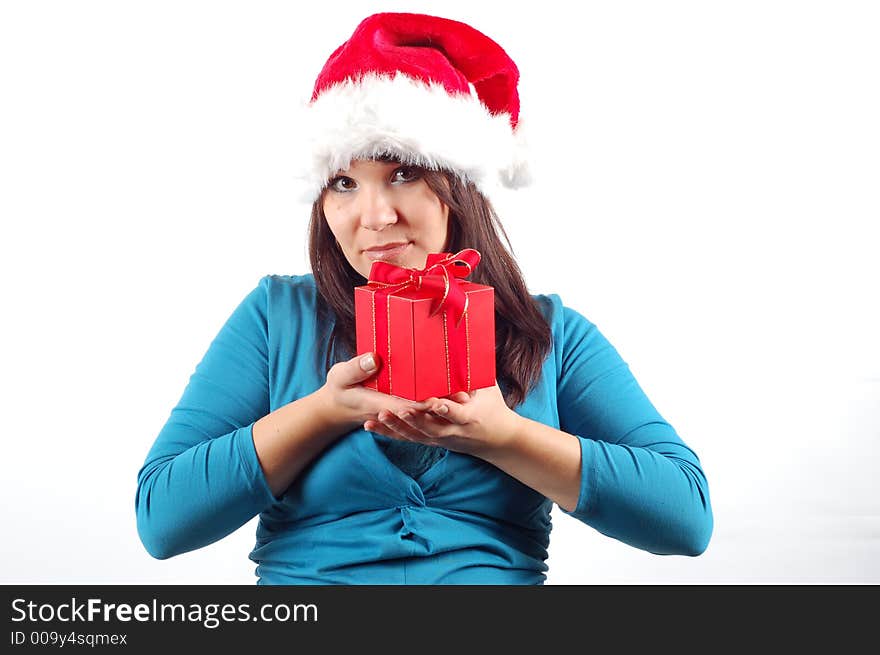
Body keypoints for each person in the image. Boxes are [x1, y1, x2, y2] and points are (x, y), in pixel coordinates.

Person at [135, 12, 713, 584]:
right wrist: (325, 412)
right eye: (344, 183)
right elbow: (162, 521)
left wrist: (503, 436)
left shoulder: (550, 333)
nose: (376, 217)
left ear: (458, 185)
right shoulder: (275, 318)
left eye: (404, 174)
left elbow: (686, 519)